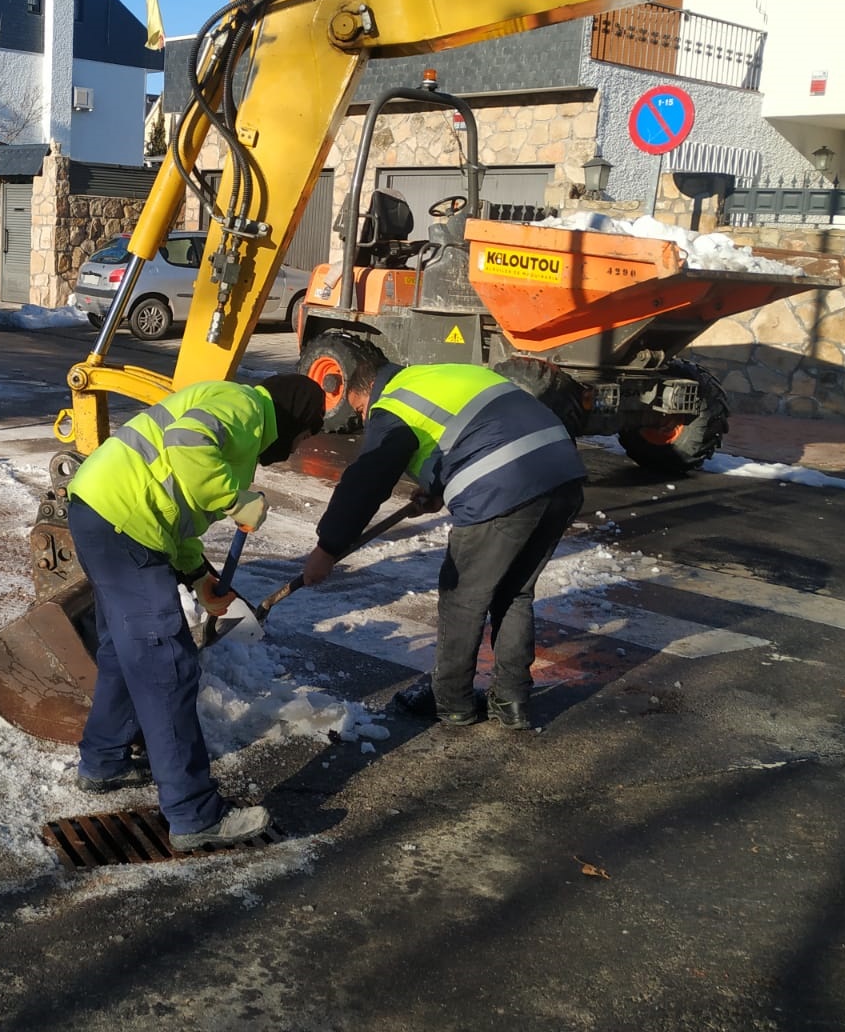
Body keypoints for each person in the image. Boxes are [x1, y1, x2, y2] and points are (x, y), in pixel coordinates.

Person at [66, 373, 325, 852]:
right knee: (166, 665)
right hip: (126, 523)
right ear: (293, 418)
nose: (296, 448)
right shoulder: (245, 406)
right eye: (305, 435)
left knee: (124, 653)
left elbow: (178, 503)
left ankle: (104, 761)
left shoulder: (238, 419)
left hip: (102, 510)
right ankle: (194, 815)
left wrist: (196, 575)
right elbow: (189, 444)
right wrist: (235, 499)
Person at [303, 361, 585, 730]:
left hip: (503, 487)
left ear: (369, 389)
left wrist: (328, 548)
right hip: (563, 474)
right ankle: (511, 700)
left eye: (360, 410)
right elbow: (470, 431)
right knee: (513, 593)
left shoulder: (393, 400)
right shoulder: (436, 377)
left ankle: (451, 700)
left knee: (462, 599)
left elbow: (369, 477)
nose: (365, 418)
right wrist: (436, 490)